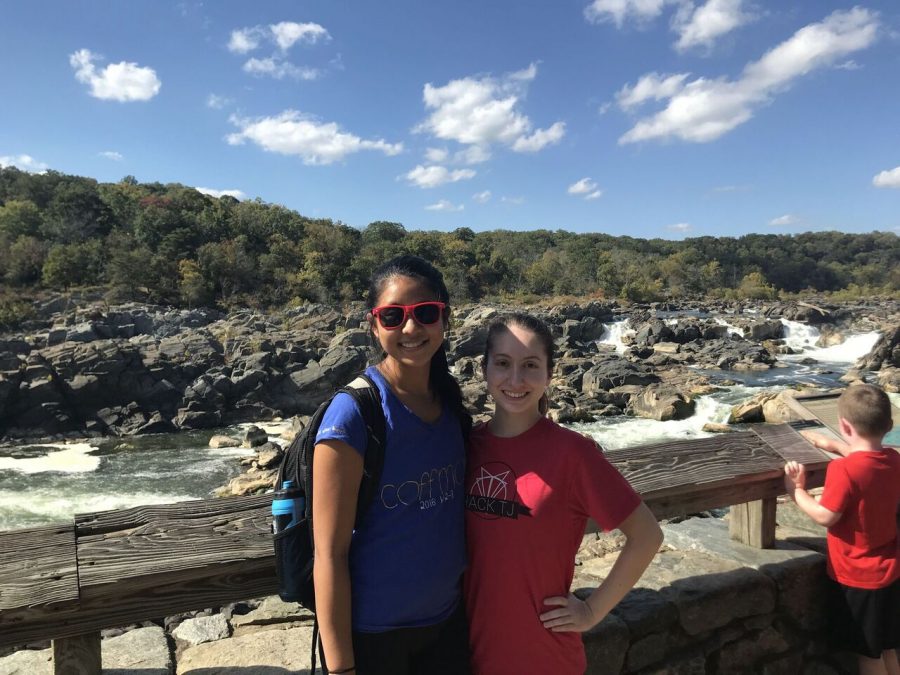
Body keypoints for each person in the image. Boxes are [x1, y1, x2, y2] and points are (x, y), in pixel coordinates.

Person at [464, 312, 663, 675]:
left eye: (530, 365)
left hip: (543, 658)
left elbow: (647, 535)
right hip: (466, 655)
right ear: (484, 369)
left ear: (549, 374)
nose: (515, 379)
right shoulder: (466, 446)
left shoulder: (573, 454)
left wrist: (591, 610)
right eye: (503, 363)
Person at [312, 255, 472, 675]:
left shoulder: (451, 405)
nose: (411, 328)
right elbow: (328, 554)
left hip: (449, 624)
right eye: (393, 316)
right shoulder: (353, 415)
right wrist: (341, 667)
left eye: (425, 313)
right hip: (376, 639)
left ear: (444, 319)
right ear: (373, 324)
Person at [784, 384, 899, 675]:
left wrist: (797, 491)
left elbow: (826, 515)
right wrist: (833, 445)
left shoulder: (844, 470)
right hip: (891, 572)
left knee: (867, 655)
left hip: (858, 578)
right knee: (885, 647)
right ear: (890, 424)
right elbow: (869, 460)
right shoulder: (895, 460)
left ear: (844, 425)